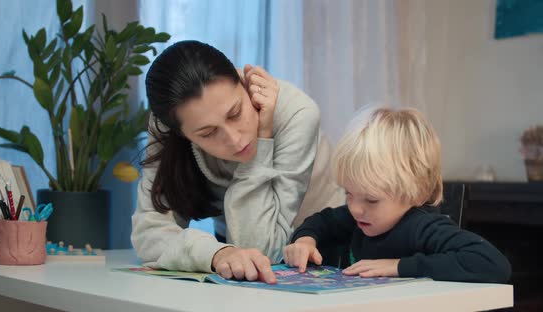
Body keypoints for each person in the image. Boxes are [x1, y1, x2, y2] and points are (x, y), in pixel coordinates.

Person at [131, 40, 345, 283]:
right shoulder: (166, 126)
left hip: (320, 249)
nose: (235, 140)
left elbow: (265, 250)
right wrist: (217, 253)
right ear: (182, 134)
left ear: (243, 81)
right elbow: (149, 231)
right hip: (238, 245)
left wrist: (262, 138)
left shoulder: (297, 113)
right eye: (208, 133)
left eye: (235, 113)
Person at [283, 106, 511, 283]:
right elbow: (321, 222)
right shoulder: (358, 217)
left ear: (416, 193)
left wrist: (398, 267)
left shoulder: (420, 226)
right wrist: (305, 241)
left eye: (371, 199)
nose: (355, 208)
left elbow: (493, 263)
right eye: (349, 193)